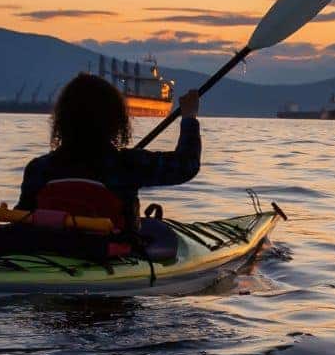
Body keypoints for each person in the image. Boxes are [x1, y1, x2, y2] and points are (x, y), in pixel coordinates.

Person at [16, 72, 202, 236]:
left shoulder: (38, 168)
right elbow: (186, 165)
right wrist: (189, 117)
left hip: (45, 249)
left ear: (62, 121)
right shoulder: (129, 165)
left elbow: (22, 218)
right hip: (112, 253)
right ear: (115, 121)